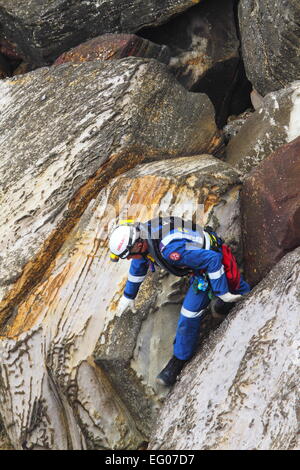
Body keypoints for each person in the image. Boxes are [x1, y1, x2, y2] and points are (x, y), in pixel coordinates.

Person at [109, 216, 250, 386]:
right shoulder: (145, 236)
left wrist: (221, 291)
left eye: (128, 255)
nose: (129, 259)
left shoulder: (171, 251)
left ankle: (235, 302)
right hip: (199, 263)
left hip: (211, 264)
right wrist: (129, 295)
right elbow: (139, 265)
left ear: (138, 245)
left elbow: (212, 260)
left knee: (200, 310)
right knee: (191, 314)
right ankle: (180, 357)